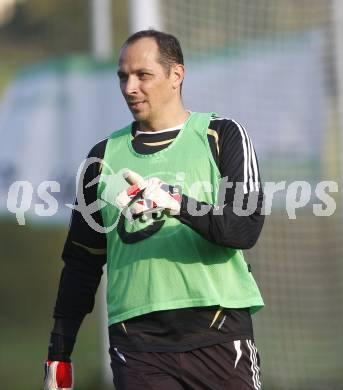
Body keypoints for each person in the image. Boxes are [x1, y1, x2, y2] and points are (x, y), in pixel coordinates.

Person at [44, 29, 265, 390]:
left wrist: (176, 202)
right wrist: (59, 351)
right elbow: (82, 263)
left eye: (142, 75)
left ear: (176, 75)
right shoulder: (102, 158)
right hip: (137, 347)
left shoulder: (222, 135)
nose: (130, 87)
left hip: (219, 336)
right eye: (123, 76)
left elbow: (244, 229)